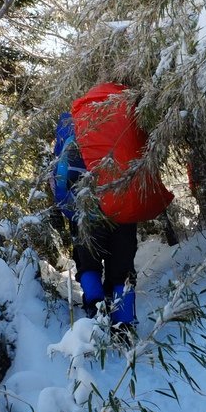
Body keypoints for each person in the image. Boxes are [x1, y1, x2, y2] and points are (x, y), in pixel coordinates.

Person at [51, 83, 173, 330]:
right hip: (122, 206)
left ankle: (95, 315)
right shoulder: (129, 120)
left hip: (85, 208)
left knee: (89, 264)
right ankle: (125, 325)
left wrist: (68, 210)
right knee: (123, 269)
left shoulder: (71, 124)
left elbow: (58, 174)